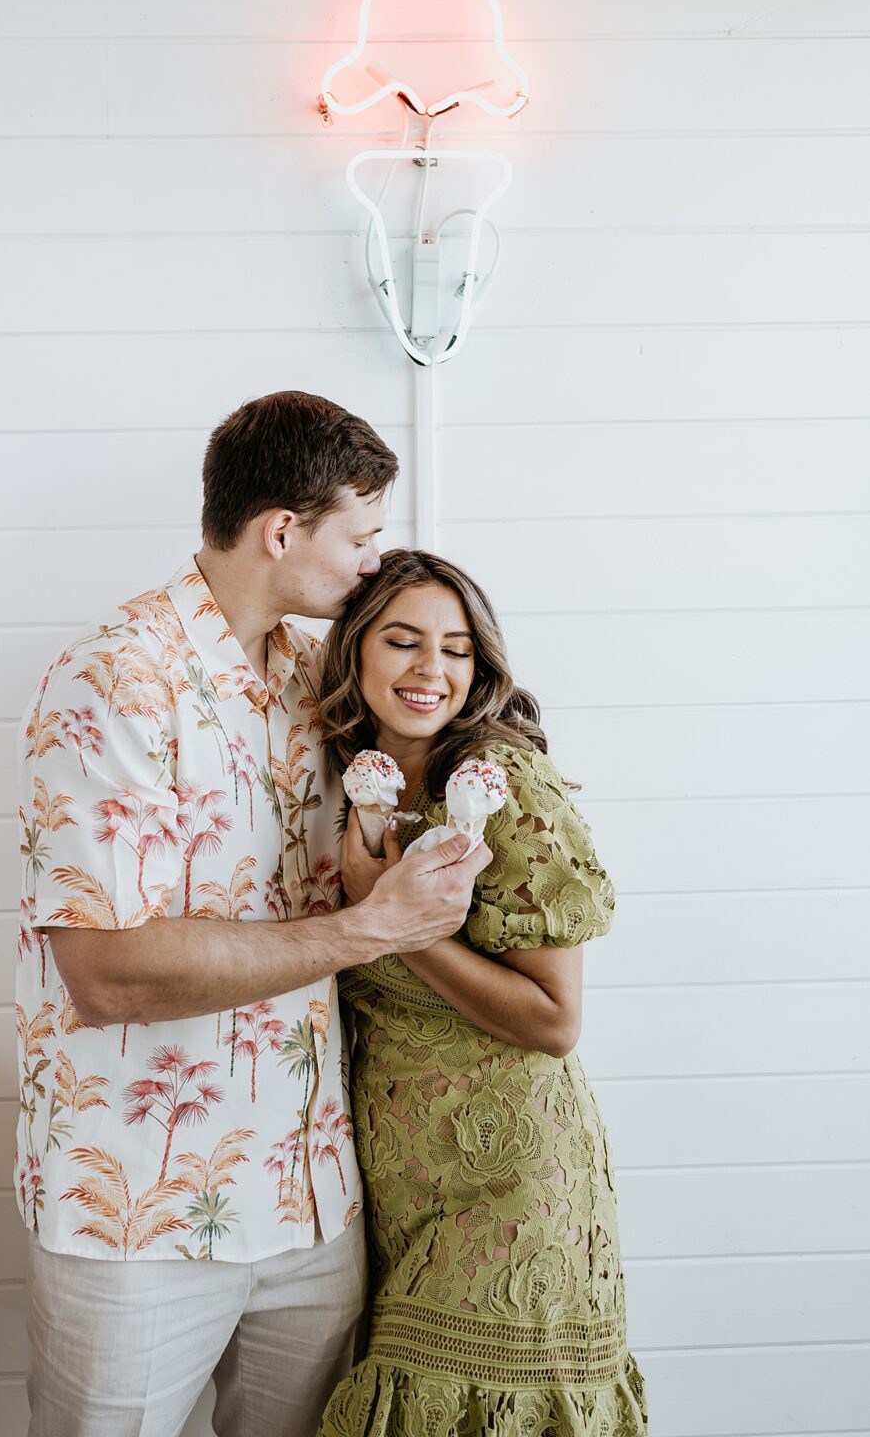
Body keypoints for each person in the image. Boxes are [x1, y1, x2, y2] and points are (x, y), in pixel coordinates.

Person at [14, 393, 493, 1437]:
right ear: (283, 530)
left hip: (312, 1193)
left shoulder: (312, 675)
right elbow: (106, 972)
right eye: (359, 538)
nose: (373, 563)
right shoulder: (115, 680)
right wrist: (373, 930)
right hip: (136, 1213)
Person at [315, 549, 648, 1437]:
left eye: (457, 650)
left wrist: (387, 919)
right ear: (355, 651)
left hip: (511, 1188)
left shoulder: (505, 787)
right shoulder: (344, 782)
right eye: (403, 641)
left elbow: (556, 1020)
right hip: (399, 1186)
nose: (432, 670)